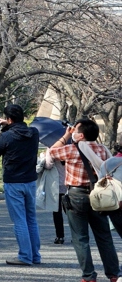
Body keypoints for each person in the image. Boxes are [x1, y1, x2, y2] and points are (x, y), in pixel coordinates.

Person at [46, 118, 119, 282]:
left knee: (80, 238)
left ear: (81, 135)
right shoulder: (102, 149)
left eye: (75, 130)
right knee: (104, 236)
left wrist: (65, 136)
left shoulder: (71, 149)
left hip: (77, 195)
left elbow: (51, 151)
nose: (73, 132)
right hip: (100, 195)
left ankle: (89, 275)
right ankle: (114, 273)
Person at [0, 103, 41, 266]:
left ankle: (25, 256)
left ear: (9, 119)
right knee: (31, 218)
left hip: (13, 181)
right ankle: (35, 255)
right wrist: (9, 125)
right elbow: (19, 133)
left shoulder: (7, 136)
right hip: (31, 180)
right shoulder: (34, 133)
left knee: (19, 220)